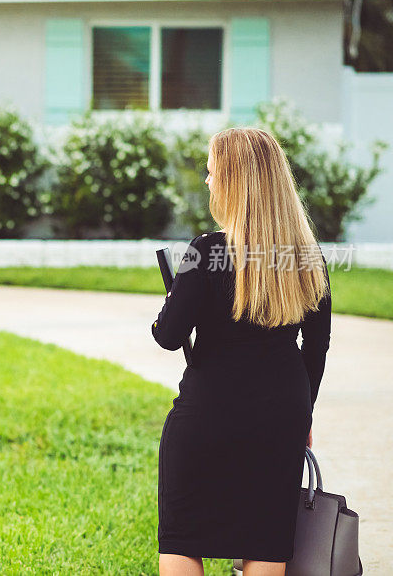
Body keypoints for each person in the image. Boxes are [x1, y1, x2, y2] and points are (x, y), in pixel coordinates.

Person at [151, 127, 332, 576]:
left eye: (212, 172)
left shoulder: (205, 251)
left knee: (182, 537)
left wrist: (167, 307)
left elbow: (169, 335)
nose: (208, 181)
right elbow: (317, 346)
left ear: (233, 181)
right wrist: (303, 414)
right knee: (265, 540)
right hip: (280, 416)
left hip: (208, 414)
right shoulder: (307, 258)